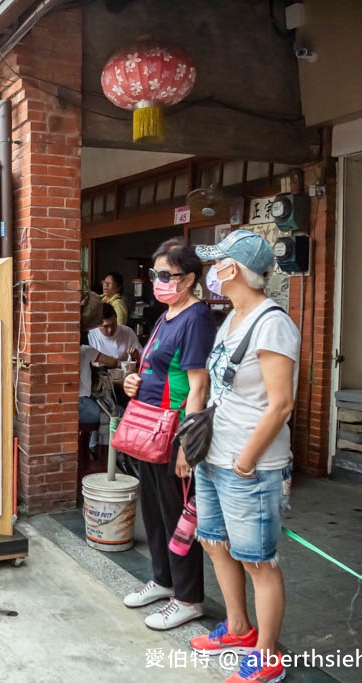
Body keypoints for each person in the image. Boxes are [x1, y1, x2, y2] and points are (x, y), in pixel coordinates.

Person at [189, 230, 299, 683]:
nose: (212, 271)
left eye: (216, 263)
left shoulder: (272, 323)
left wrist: (246, 461)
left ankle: (267, 653)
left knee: (258, 560)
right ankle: (237, 627)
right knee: (214, 542)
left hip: (247, 465)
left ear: (231, 270)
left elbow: (281, 404)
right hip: (216, 456)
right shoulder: (233, 317)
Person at [121, 237, 215, 630]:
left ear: (189, 278)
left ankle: (189, 597)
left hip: (174, 428)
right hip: (148, 424)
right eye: (154, 274)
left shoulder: (196, 318)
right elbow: (157, 369)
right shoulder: (167, 315)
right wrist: (132, 381)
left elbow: (198, 385)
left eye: (166, 274)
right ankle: (163, 579)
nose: (158, 281)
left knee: (178, 515)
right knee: (155, 513)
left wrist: (187, 447)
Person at [87, 303, 141, 367]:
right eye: (105, 326)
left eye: (113, 324)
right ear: (97, 323)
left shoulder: (128, 332)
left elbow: (142, 357)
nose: (110, 330)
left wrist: (136, 355)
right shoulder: (90, 335)